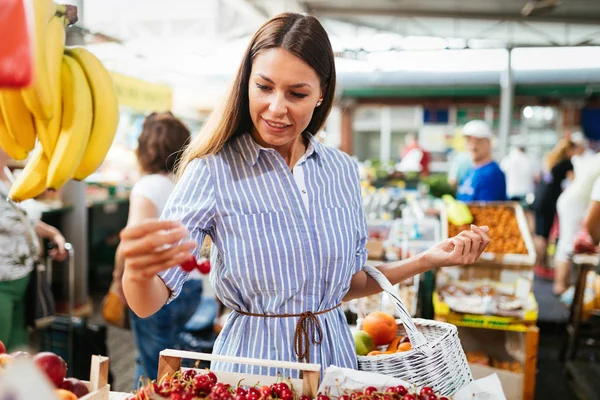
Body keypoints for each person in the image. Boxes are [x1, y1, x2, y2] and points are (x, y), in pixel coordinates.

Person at [118, 13, 491, 376]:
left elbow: (346, 286)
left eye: (297, 93)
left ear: (320, 95)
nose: (276, 108)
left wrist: (426, 259)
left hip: (336, 365)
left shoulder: (341, 171)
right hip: (255, 371)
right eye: (264, 87)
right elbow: (148, 303)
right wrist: (136, 272)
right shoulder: (212, 171)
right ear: (246, 83)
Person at [110, 112, 204, 384]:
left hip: (159, 286)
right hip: (191, 286)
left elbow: (132, 243)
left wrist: (119, 278)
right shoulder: (185, 185)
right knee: (175, 358)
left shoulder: (148, 186)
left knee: (153, 367)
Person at [0, 148, 67, 352]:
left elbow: (24, 217)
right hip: (2, 283)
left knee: (17, 351)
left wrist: (53, 233)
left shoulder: (9, 175)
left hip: (23, 278)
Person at [554, 151, 600, 295]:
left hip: (573, 201)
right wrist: (594, 240)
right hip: (574, 204)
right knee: (567, 244)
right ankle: (560, 286)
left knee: (567, 243)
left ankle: (566, 285)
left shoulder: (594, 158)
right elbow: (591, 218)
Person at [530, 139, 575, 277]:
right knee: (544, 234)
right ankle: (540, 265)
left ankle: (536, 264)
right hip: (549, 201)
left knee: (538, 233)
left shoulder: (552, 158)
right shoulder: (568, 163)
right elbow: (574, 183)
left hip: (540, 197)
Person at [456, 120, 507, 202]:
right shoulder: (470, 170)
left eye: (478, 142)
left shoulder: (493, 173)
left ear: (489, 143)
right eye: (469, 141)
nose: (473, 147)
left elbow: (485, 212)